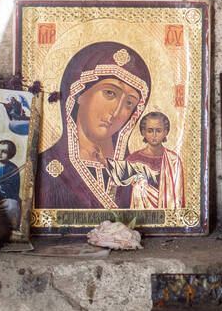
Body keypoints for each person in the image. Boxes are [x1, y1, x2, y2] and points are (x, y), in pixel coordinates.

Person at [36, 42, 151, 211]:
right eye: (110, 93)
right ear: (79, 93)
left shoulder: (137, 173)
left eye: (129, 103)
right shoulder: (46, 167)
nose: (116, 112)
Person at [124, 111, 186, 209]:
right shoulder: (132, 160)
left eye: (158, 130)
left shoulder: (173, 160)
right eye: (150, 130)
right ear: (143, 132)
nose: (154, 135)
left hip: (167, 217)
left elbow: (178, 196)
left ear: (166, 132)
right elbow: (124, 198)